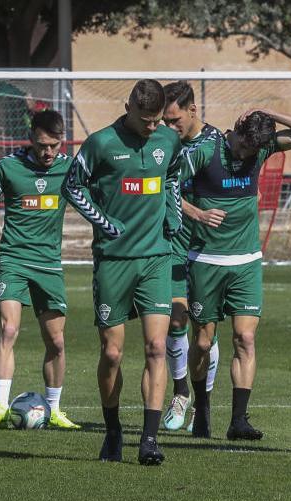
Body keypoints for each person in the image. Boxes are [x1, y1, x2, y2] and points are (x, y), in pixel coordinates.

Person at [64, 79, 183, 465]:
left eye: (157, 120)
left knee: (155, 348)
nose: (152, 127)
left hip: (156, 259)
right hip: (114, 261)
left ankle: (149, 439)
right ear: (128, 107)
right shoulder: (101, 143)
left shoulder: (168, 140)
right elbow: (72, 186)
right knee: (112, 353)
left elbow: (175, 176)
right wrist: (104, 222)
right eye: (146, 120)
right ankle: (113, 430)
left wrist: (174, 211)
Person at [181, 109, 291, 439]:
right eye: (243, 147)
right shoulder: (205, 151)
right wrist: (197, 213)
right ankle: (202, 407)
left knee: (245, 337)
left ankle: (238, 421)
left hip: (246, 261)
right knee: (202, 341)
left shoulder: (262, 147)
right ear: (237, 130)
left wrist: (267, 111)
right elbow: (165, 187)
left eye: (253, 150)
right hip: (205, 261)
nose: (246, 155)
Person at [0, 109, 80, 432]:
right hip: (13, 260)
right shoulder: (9, 167)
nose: (47, 152)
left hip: (49, 265)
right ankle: (0, 405)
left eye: (53, 145)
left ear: (62, 142)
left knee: (57, 341)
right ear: (31, 139)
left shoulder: (69, 170)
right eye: (41, 145)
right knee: (8, 330)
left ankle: (53, 409)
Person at [160, 81, 221, 431]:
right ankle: (180, 392)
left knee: (204, 332)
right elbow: (164, 189)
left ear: (193, 111)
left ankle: (203, 403)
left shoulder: (216, 144)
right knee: (176, 319)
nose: (170, 128)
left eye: (174, 120)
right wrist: (193, 212)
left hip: (211, 249)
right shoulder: (163, 147)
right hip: (173, 243)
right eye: (165, 121)